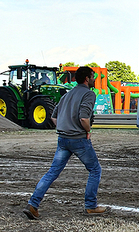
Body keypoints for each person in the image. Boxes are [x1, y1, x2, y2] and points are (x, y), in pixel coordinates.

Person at [23, 66, 108, 220]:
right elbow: (84, 118)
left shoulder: (67, 95)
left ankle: (33, 204)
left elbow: (54, 117)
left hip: (63, 139)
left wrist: (65, 127)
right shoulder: (88, 94)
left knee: (52, 173)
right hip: (79, 139)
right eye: (93, 76)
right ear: (87, 78)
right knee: (95, 170)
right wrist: (87, 131)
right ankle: (90, 206)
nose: (94, 79)